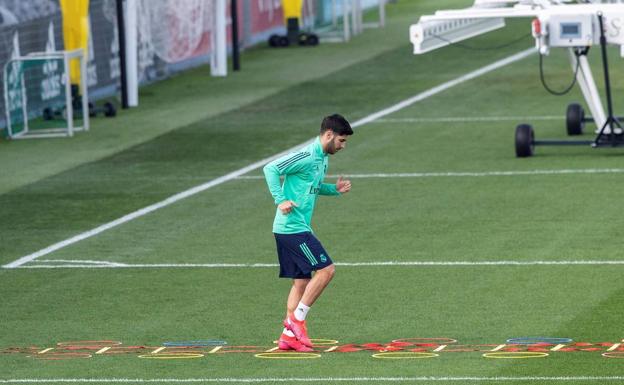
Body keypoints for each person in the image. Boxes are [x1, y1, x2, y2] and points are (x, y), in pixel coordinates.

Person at [263, 114, 353, 352]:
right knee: (326, 270)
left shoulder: (322, 159)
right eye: (341, 141)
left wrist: (334, 190)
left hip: (291, 228)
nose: (342, 147)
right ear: (329, 135)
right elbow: (270, 168)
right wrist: (280, 200)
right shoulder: (306, 156)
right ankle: (296, 321)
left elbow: (312, 186)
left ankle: (287, 337)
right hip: (292, 228)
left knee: (301, 282)